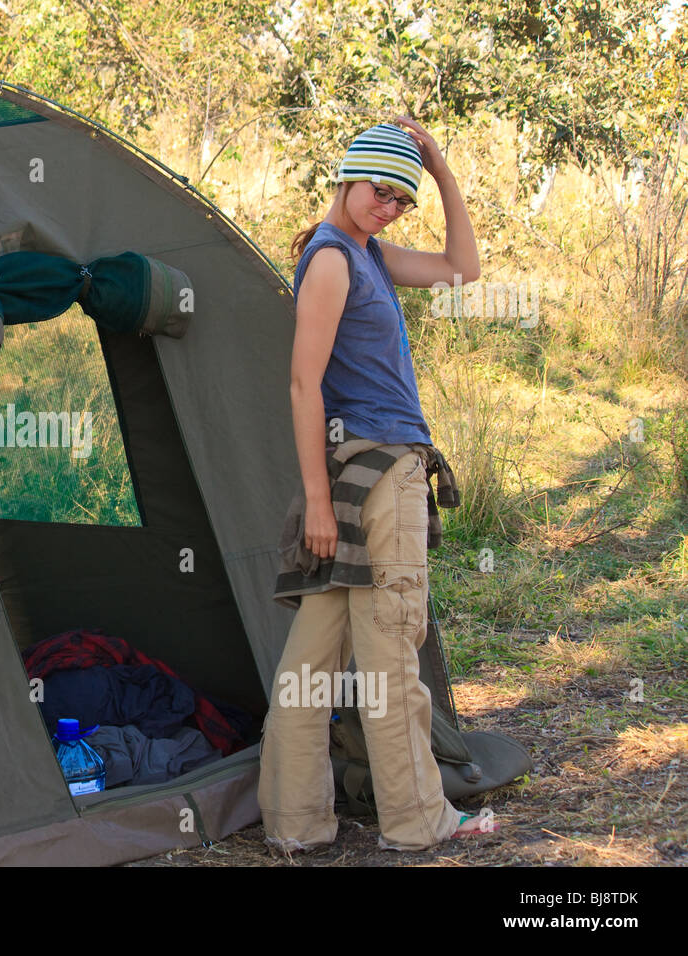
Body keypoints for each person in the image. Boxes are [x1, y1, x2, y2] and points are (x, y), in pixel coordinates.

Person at [257, 118, 501, 851]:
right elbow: (304, 384)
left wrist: (441, 167)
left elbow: (464, 270)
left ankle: (295, 824)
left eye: (402, 198)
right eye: (378, 190)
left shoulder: (367, 254)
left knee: (311, 663)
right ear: (346, 176)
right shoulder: (333, 261)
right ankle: (417, 821)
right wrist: (319, 502)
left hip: (360, 474)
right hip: (376, 475)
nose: (387, 206)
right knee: (393, 649)